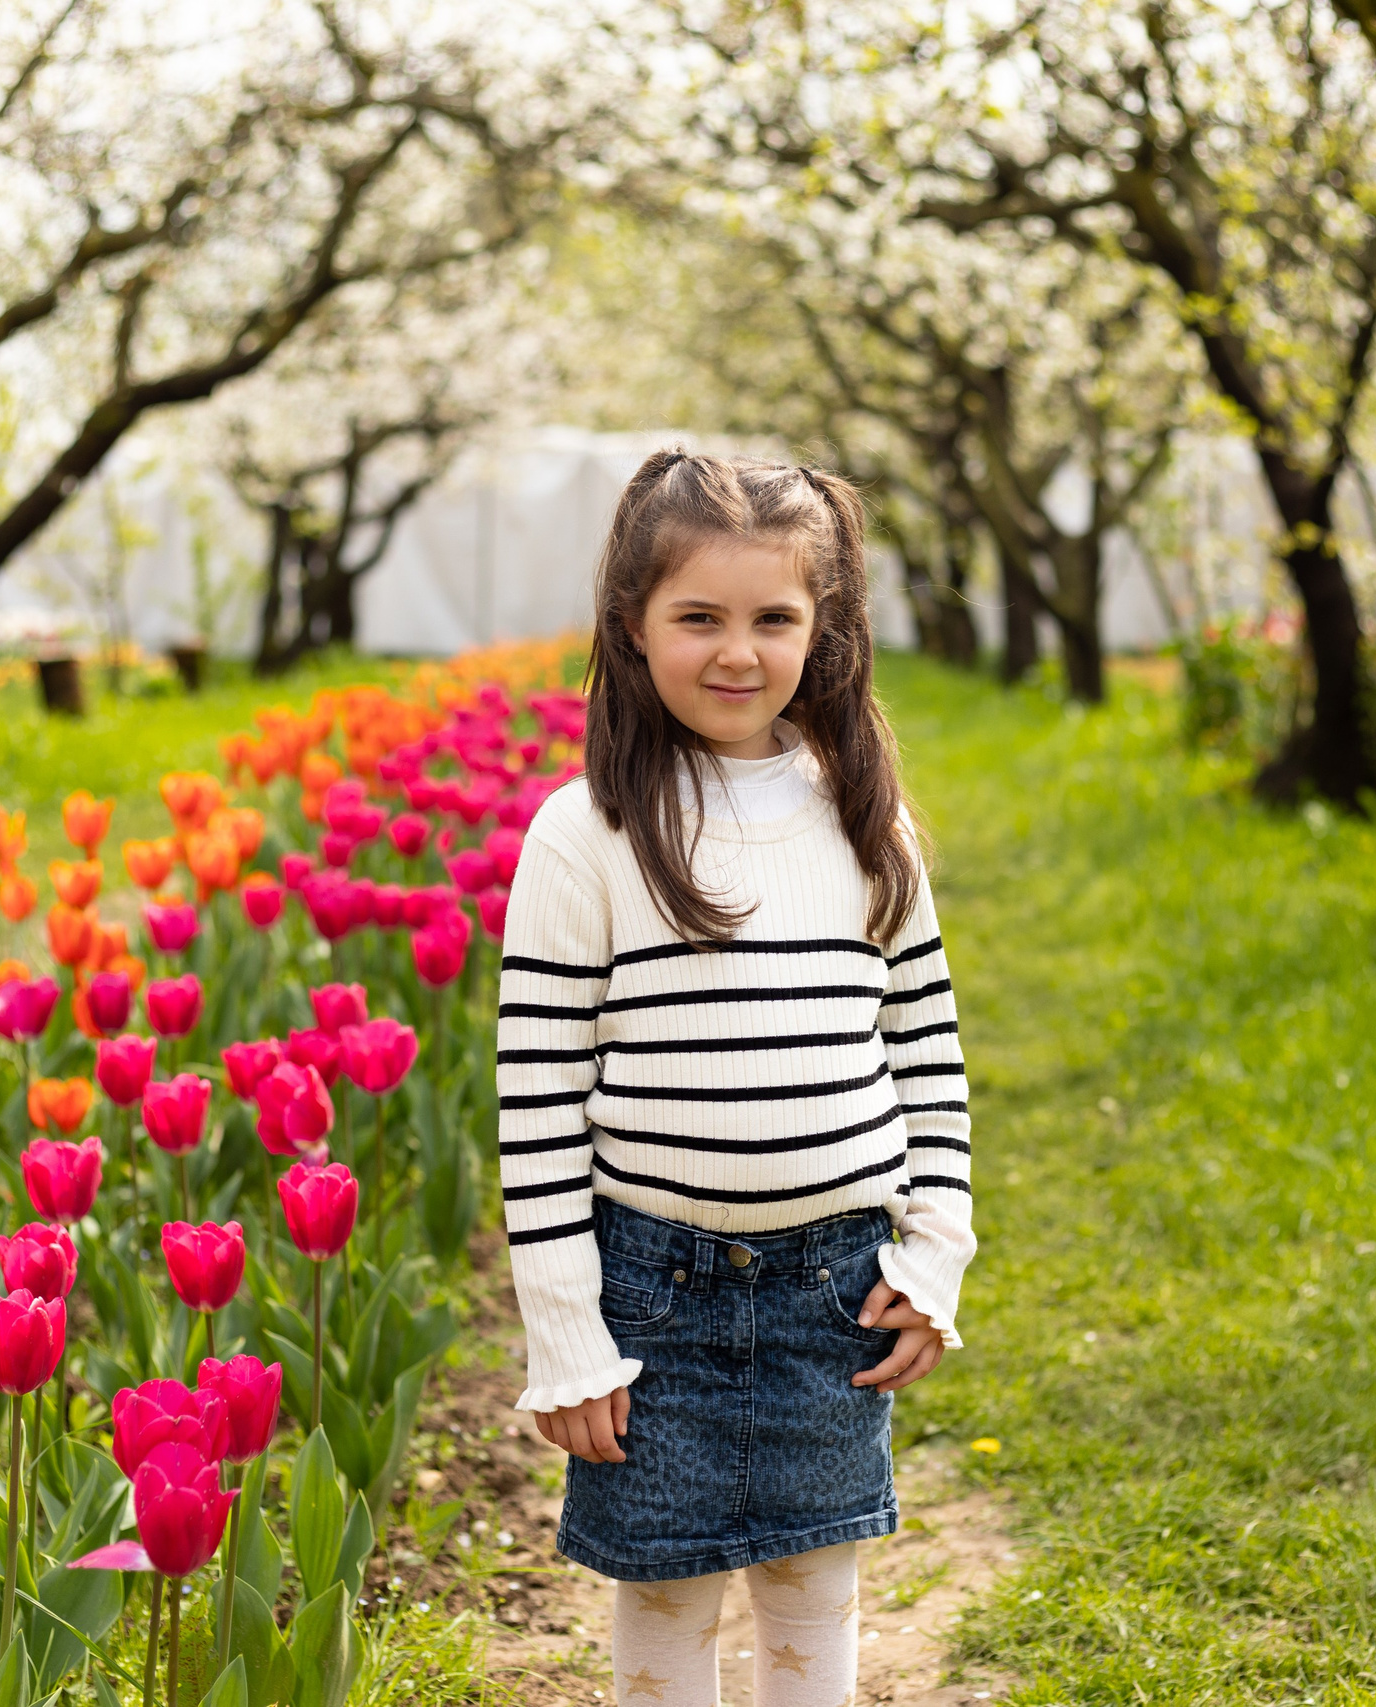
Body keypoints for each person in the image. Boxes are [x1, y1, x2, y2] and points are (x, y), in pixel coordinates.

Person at [496, 451, 975, 1707]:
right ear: (631, 626)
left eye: (774, 618)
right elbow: (537, 1096)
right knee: (661, 1595)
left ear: (824, 631)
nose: (736, 652)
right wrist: (566, 1332)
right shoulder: (584, 829)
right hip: (652, 1297)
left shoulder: (863, 818)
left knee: (816, 1594)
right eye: (696, 617)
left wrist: (934, 1252)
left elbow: (924, 1042)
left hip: (837, 1296)